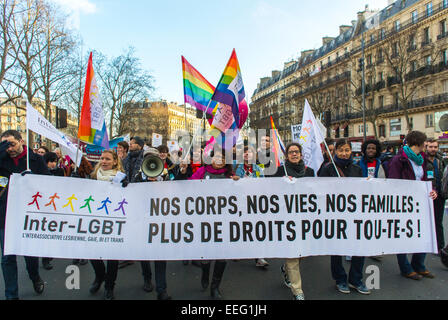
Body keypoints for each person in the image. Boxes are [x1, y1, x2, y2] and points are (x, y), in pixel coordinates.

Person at [179, 149, 239, 299]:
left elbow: (239, 197)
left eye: (223, 158)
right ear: (211, 158)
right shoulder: (202, 171)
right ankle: (205, 273)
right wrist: (184, 172)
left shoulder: (230, 175)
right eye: (217, 156)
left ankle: (215, 286)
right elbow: (187, 187)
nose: (220, 160)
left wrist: (238, 184)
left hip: (224, 221)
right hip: (204, 221)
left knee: (222, 256)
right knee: (205, 256)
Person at [319, 138, 370, 295]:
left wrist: (369, 184)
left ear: (351, 151)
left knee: (358, 248)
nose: (344, 153)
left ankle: (356, 280)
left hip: (355, 214)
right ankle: (340, 279)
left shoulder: (357, 169)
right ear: (335, 151)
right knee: (337, 249)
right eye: (341, 150)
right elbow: (318, 190)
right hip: (335, 215)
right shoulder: (327, 169)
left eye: (347, 150)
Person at [0, 130, 48, 299]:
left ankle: (34, 276)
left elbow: (49, 184)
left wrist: (34, 180)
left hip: (28, 215)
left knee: (30, 253)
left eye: (12, 144)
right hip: (5, 215)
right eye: (4, 145)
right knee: (7, 259)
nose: (9, 149)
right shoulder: (2, 159)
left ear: (21, 141)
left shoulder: (35, 160)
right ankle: (11, 295)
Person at [388, 131, 437, 280]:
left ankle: (419, 264)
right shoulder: (399, 160)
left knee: (423, 233)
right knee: (403, 234)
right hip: (404, 204)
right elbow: (393, 183)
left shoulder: (423, 159)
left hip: (421, 202)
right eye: (424, 144)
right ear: (418, 143)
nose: (425, 146)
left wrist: (432, 190)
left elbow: (428, 178)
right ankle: (405, 267)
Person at [274, 142, 314, 300]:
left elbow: (315, 190)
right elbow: (270, 192)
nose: (294, 154)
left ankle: (285, 269)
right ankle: (298, 291)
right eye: (291, 152)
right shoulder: (279, 171)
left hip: (305, 218)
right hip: (287, 218)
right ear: (287, 155)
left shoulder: (310, 172)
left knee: (303, 254)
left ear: (301, 154)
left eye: (297, 152)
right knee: (292, 253)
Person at [132, 147, 172, 300]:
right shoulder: (138, 176)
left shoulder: (165, 176)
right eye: (147, 158)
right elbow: (133, 196)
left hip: (159, 221)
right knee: (144, 253)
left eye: (153, 158)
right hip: (143, 220)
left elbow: (172, 196)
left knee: (160, 255)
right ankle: (147, 278)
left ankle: (161, 289)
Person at [88, 150, 125, 300]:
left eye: (107, 159)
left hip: (113, 220)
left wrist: (126, 187)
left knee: (111, 256)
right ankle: (99, 276)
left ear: (115, 161)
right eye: (102, 158)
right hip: (95, 218)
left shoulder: (121, 177)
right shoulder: (92, 176)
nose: (104, 161)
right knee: (92, 252)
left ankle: (109, 286)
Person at [235, 146, 267, 268]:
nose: (247, 155)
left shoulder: (258, 169)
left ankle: (259, 256)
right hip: (239, 203)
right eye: (245, 153)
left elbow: (263, 184)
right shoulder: (235, 167)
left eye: (250, 153)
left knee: (257, 229)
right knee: (240, 228)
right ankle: (238, 251)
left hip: (254, 203)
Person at [40, 152, 65, 270]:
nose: (54, 164)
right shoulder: (40, 171)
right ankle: (45, 259)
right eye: (51, 161)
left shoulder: (59, 172)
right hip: (43, 206)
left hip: (56, 205)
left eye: (55, 161)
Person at [425, 138, 446, 253]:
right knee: (426, 221)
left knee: (438, 222)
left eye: (435, 147)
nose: (433, 149)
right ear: (426, 147)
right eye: (431, 147)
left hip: (440, 195)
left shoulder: (440, 160)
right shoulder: (422, 160)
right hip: (427, 195)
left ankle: (440, 247)